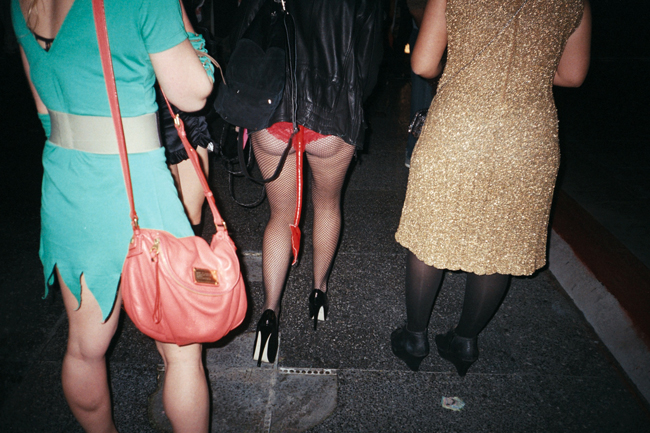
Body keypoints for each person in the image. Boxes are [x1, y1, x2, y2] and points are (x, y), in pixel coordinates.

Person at [12, 0, 214, 431]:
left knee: (85, 347)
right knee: (182, 351)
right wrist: (186, 25)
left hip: (66, 179)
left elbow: (44, 110)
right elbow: (194, 92)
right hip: (137, 181)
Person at [392, 0, 591, 375]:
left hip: (459, 124)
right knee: (501, 241)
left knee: (431, 230)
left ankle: (414, 337)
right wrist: (522, 71)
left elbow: (423, 64)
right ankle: (465, 341)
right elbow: (572, 75)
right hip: (527, 135)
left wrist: (479, 65)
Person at [234, 0, 383, 366]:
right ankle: (319, 293)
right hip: (334, 110)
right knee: (328, 204)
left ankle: (270, 314)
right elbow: (370, 60)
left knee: (280, 215)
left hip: (274, 109)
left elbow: (246, 36)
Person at [404, 0, 433, 168]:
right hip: (427, 33)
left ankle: (417, 154)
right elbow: (416, 7)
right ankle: (415, 154)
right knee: (423, 101)